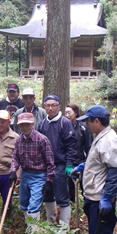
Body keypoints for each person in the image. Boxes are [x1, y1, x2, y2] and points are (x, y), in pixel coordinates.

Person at [71, 105, 117, 234]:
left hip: (100, 197)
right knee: (96, 233)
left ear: (96, 121)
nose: (87, 124)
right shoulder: (101, 136)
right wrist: (84, 166)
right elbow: (101, 162)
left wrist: (107, 197)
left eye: (88, 121)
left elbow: (115, 171)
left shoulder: (109, 140)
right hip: (93, 195)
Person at [37, 95, 77, 225]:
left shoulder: (64, 123)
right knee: (48, 194)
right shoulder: (42, 123)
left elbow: (71, 145)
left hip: (60, 164)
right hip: (44, 166)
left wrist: (69, 164)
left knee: (62, 197)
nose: (50, 108)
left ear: (58, 106)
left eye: (53, 105)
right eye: (47, 105)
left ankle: (64, 228)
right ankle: (51, 222)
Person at [10, 112, 55, 222]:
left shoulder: (42, 140)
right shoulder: (19, 140)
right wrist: (13, 171)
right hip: (25, 174)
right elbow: (15, 158)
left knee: (34, 204)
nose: (24, 127)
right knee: (24, 203)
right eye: (22, 125)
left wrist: (49, 180)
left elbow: (50, 162)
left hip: (39, 176)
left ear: (32, 124)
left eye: (27, 124)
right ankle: (29, 229)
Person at [64, 103, 93, 203]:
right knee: (69, 189)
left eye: (69, 113)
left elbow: (89, 146)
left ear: (76, 113)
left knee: (85, 188)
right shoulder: (63, 126)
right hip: (68, 162)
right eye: (65, 113)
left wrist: (88, 163)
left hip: (82, 161)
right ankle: (71, 208)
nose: (67, 115)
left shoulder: (83, 127)